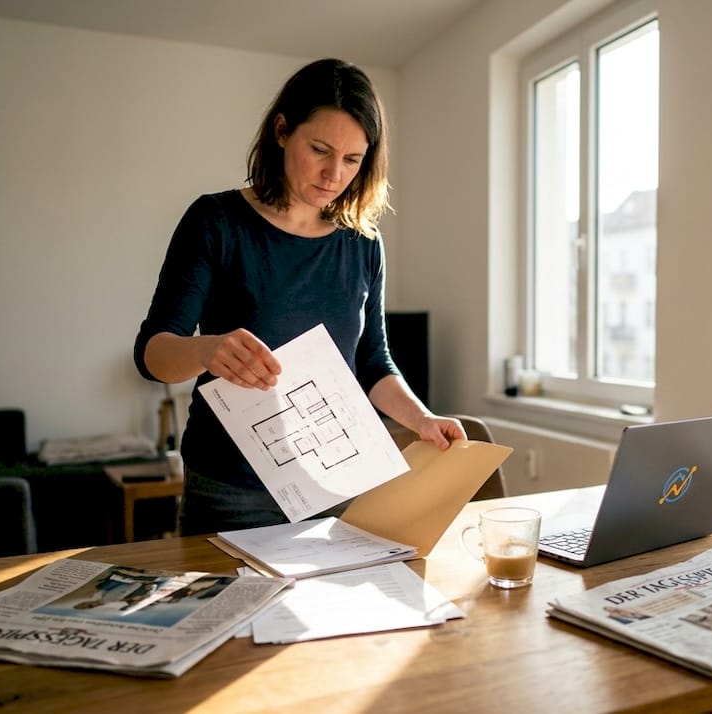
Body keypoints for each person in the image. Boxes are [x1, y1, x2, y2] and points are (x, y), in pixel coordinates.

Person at [134, 58, 465, 536]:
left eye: (353, 160)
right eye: (320, 150)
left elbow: (372, 362)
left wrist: (422, 418)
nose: (334, 174)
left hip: (337, 486)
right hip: (232, 492)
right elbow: (153, 354)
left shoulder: (362, 242)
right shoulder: (216, 222)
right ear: (282, 131)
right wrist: (208, 350)